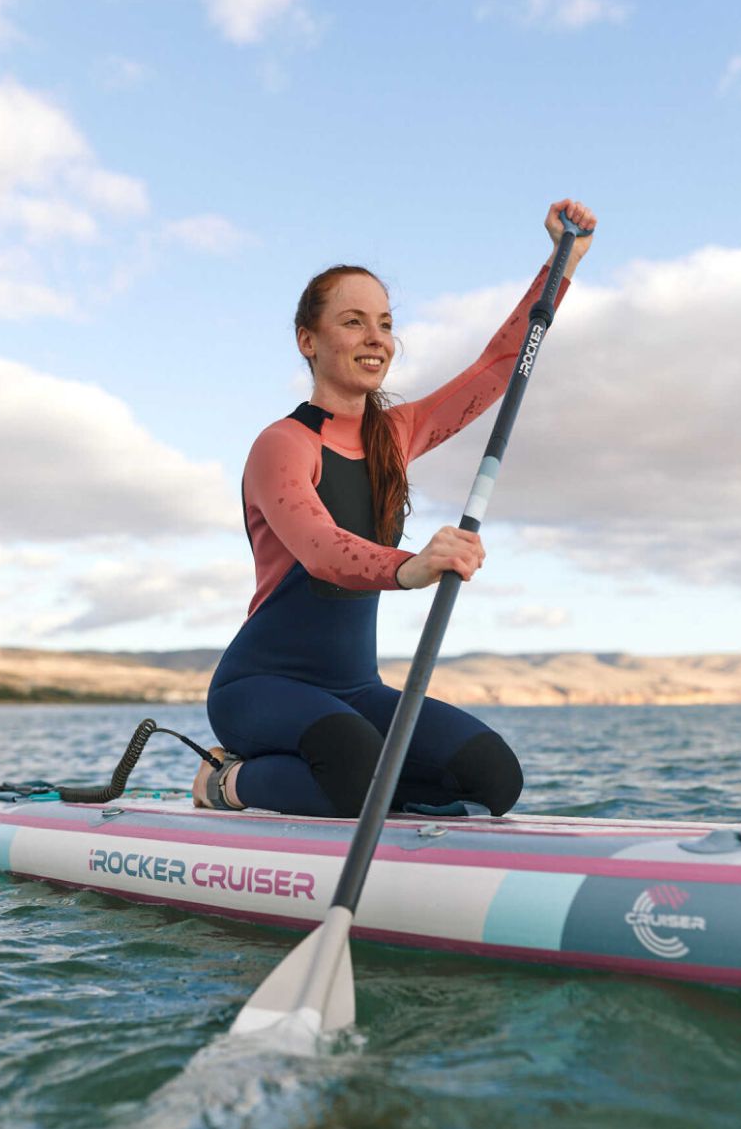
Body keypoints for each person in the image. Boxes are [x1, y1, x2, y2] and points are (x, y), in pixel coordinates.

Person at [195, 198, 596, 816]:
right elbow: (323, 551)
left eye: (383, 322)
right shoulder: (282, 445)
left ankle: (368, 795)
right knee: (354, 769)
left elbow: (496, 367)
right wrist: (411, 566)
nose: (375, 337)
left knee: (492, 778)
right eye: (352, 322)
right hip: (262, 687)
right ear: (309, 339)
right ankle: (226, 781)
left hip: (355, 690)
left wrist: (561, 265)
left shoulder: (395, 435)